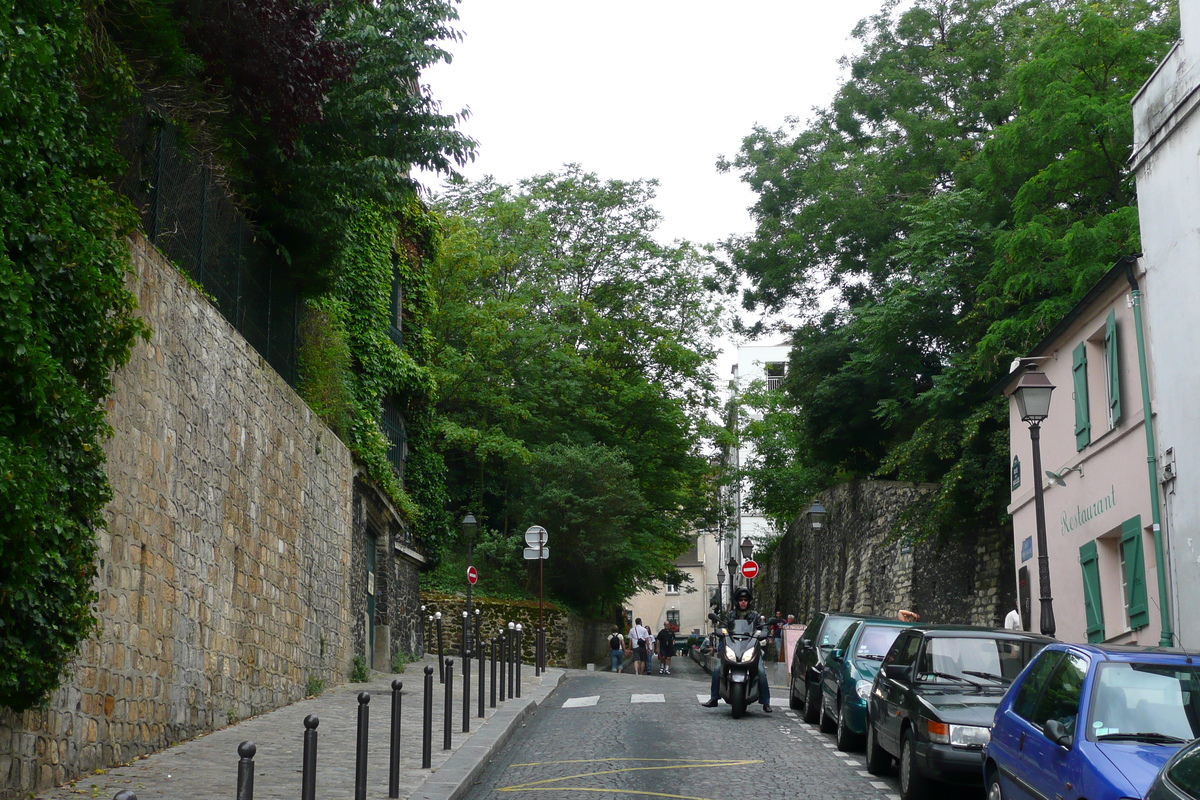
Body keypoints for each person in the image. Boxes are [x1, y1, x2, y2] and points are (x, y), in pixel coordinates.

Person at [700, 587, 772, 712]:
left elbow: (763, 628)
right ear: (736, 601)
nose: (743, 602)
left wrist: (763, 632)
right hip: (733, 647)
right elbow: (722, 627)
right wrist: (720, 631)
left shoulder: (755, 616)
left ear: (749, 601)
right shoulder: (730, 616)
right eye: (740, 600)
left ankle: (765, 701)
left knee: (761, 671)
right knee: (717, 669)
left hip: (750, 648)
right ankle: (714, 698)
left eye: (745, 600)